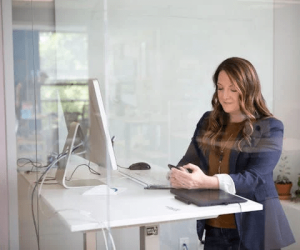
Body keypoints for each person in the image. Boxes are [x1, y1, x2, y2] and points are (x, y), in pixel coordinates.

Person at [169, 57, 295, 250]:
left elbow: (256, 178)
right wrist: (179, 175)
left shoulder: (270, 127)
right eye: (220, 88)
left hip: (255, 230)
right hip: (214, 227)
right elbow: (188, 162)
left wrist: (205, 182)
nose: (225, 95)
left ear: (248, 89)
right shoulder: (207, 121)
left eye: (233, 89)